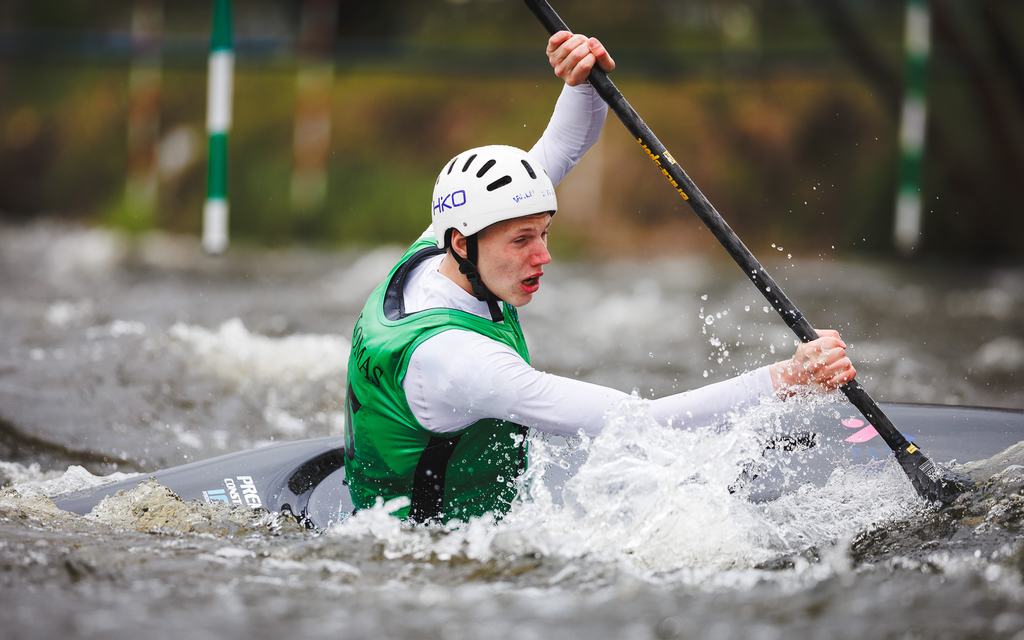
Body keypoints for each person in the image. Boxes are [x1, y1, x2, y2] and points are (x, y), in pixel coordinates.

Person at [342, 31, 856, 524]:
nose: (542, 257)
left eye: (544, 232)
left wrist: (582, 80)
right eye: (522, 241)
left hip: (406, 484)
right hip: (428, 548)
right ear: (462, 243)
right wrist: (786, 379)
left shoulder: (435, 252)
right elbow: (643, 424)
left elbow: (561, 147)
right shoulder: (459, 361)